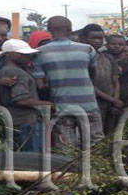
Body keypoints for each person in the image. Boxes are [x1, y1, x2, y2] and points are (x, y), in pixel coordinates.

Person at [34, 16, 104, 146]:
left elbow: (40, 85)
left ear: (48, 29)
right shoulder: (87, 49)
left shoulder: (39, 53)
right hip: (89, 104)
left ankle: (70, 166)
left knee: (66, 147)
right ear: (70, 30)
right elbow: (92, 74)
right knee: (96, 145)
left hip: (62, 106)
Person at [0, 39, 54, 152]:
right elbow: (21, 100)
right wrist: (49, 104)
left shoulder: (8, 70)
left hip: (17, 121)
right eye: (24, 54)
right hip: (25, 122)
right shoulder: (15, 72)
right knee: (32, 158)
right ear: (10, 55)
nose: (29, 57)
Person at [81, 26, 122, 134]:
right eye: (93, 38)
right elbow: (87, 83)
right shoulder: (81, 58)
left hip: (109, 103)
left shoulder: (107, 57)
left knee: (109, 132)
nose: (98, 41)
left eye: (100, 38)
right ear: (83, 39)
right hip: (92, 102)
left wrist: (115, 99)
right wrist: (112, 100)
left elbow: (115, 81)